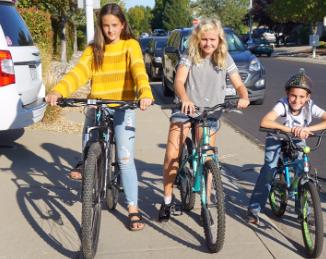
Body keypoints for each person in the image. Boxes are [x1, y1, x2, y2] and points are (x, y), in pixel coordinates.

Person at [45, 3, 153, 231]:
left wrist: (145, 92)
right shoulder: (94, 49)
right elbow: (78, 73)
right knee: (90, 136)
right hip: (98, 103)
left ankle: (133, 209)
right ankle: (88, 161)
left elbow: (138, 71)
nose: (111, 31)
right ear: (100, 27)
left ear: (123, 25)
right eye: (106, 26)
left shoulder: (130, 46)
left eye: (115, 25)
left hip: (123, 106)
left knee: (125, 160)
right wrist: (58, 91)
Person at [158, 18, 250, 221]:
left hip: (210, 112)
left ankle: (205, 204)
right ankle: (166, 201)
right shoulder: (190, 55)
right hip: (186, 109)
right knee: (172, 155)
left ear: (219, 40)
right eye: (204, 39)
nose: (208, 43)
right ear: (198, 39)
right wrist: (185, 99)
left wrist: (244, 96)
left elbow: (239, 84)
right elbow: (179, 81)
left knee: (207, 158)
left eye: (213, 39)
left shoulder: (225, 58)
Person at [247, 68, 326, 224]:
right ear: (287, 94)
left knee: (302, 170)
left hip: (297, 138)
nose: (297, 100)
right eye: (293, 95)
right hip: (276, 137)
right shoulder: (282, 105)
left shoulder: (310, 106)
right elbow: (265, 121)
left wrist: (307, 129)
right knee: (268, 169)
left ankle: (304, 210)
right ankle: (254, 210)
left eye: (302, 97)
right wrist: (291, 130)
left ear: (308, 97)